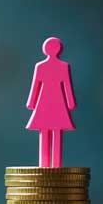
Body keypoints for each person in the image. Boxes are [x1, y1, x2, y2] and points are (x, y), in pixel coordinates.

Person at [25, 37, 77, 168]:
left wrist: (31, 103)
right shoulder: (61, 66)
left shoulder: (42, 66)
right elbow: (67, 87)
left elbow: (35, 86)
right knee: (55, 130)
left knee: (46, 129)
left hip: (47, 100)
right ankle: (50, 164)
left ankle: (49, 164)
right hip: (56, 101)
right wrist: (70, 103)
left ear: (45, 50)